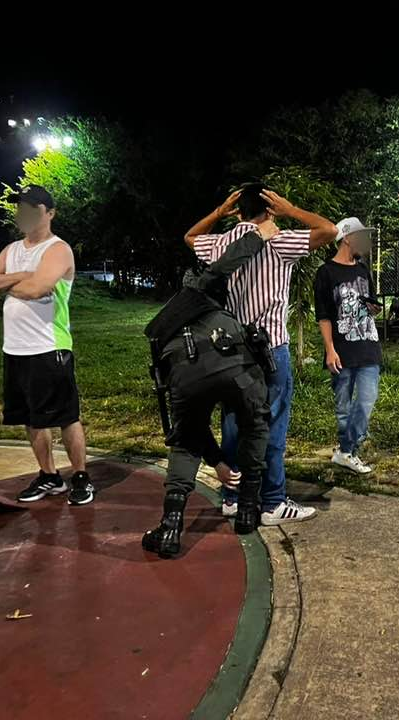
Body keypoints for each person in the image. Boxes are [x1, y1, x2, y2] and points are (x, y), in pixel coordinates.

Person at [185, 183, 338, 526]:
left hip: (232, 351)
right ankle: (272, 501)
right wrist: (291, 210)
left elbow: (190, 237)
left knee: (234, 424)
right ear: (270, 208)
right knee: (272, 425)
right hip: (272, 349)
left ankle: (233, 497)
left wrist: (218, 212)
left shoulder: (221, 244)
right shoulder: (279, 241)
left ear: (237, 210)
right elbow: (329, 230)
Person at [142, 228, 273, 558]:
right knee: (256, 423)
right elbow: (223, 264)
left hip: (183, 376)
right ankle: (247, 511)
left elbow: (194, 430)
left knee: (186, 441)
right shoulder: (199, 288)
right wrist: (259, 235)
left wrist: (215, 462)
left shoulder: (164, 322)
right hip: (236, 365)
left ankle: (170, 527)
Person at [0, 185, 93, 506]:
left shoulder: (58, 250)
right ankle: (49, 476)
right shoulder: (12, 249)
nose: (23, 214)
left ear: (50, 213)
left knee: (66, 416)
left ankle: (80, 477)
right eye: (20, 208)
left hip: (49, 347)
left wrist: (8, 281)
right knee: (31, 419)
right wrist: (21, 275)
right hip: (15, 348)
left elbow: (36, 289)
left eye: (32, 208)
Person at [314, 217, 383, 475]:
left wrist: (374, 309)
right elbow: (323, 316)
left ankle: (345, 450)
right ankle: (348, 453)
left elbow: (371, 303)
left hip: (368, 345)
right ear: (347, 239)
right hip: (342, 349)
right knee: (343, 407)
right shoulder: (326, 273)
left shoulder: (363, 269)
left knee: (366, 400)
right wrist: (329, 349)